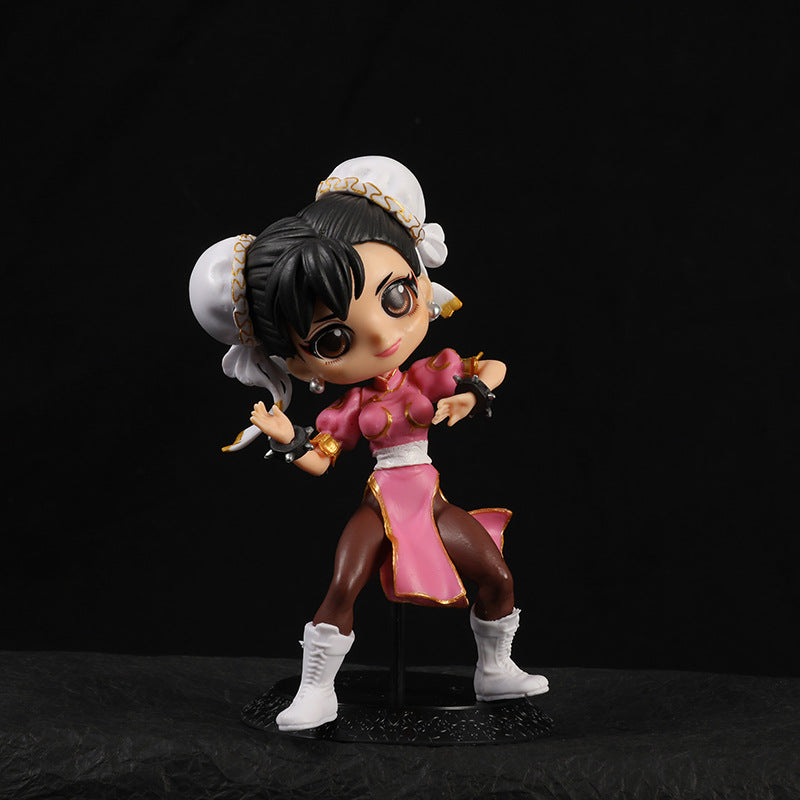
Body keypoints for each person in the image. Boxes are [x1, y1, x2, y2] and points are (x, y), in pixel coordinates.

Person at [189, 156, 548, 732]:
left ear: (419, 280)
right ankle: (315, 690)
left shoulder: (428, 373)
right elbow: (319, 461)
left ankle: (495, 668)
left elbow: (493, 367)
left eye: (395, 296)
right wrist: (288, 439)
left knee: (497, 576)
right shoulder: (350, 406)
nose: (382, 335)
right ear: (299, 363)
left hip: (430, 501)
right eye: (333, 339)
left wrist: (471, 396)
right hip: (380, 505)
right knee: (343, 586)